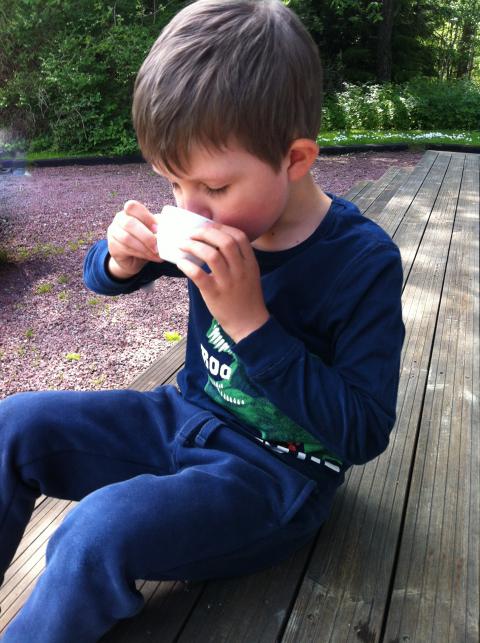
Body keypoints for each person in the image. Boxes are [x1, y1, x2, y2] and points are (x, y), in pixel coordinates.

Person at [0, 1, 405, 641]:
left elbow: (362, 433)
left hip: (275, 476)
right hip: (182, 417)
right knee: (13, 425)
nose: (191, 208)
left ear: (295, 159)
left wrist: (251, 325)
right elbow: (99, 277)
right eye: (172, 183)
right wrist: (120, 257)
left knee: (93, 532)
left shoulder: (361, 262)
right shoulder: (216, 217)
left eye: (213, 188)